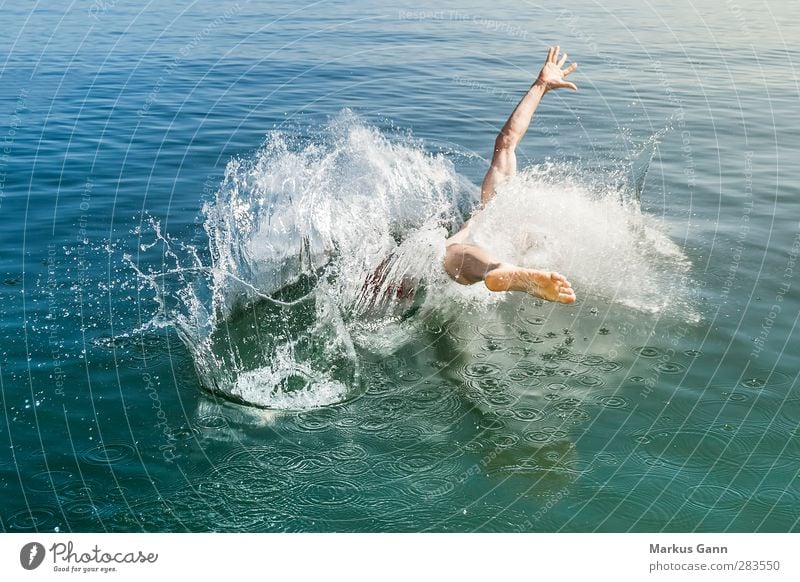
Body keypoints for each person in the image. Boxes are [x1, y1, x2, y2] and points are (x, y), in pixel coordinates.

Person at [443, 46, 578, 304]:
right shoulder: (527, 216)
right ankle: (500, 271)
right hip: (521, 249)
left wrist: (540, 84)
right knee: (463, 249)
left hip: (485, 251)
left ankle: (496, 270)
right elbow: (507, 141)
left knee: (452, 252)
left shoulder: (492, 205)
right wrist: (542, 85)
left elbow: (506, 140)